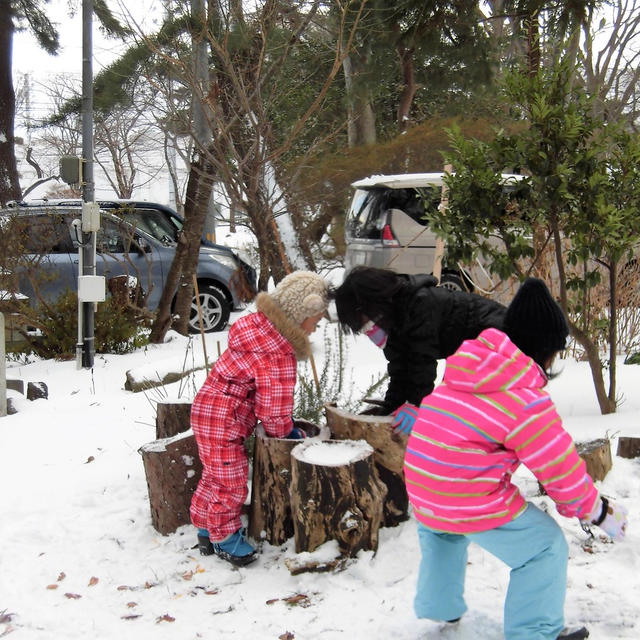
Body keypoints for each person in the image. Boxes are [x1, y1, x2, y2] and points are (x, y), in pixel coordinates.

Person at [393, 278, 628, 640]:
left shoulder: (465, 370)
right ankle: (534, 633)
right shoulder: (524, 400)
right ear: (546, 351)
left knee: (443, 533)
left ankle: (438, 607)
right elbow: (560, 469)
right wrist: (595, 509)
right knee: (544, 548)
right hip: (463, 494)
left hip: (423, 486)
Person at [190, 271, 329, 566]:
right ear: (301, 313)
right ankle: (224, 537)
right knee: (231, 480)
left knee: (215, 475)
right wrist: (286, 432)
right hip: (224, 419)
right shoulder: (276, 352)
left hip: (208, 411)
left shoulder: (258, 330)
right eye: (315, 322)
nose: (315, 330)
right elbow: (273, 407)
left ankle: (205, 526)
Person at [331, 266, 506, 414]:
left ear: (373, 304)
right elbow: (400, 367)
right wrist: (391, 407)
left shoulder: (420, 304)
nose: (368, 329)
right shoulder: (390, 318)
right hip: (469, 353)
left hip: (499, 341)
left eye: (364, 321)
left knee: (466, 407)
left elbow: (421, 363)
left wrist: (415, 405)